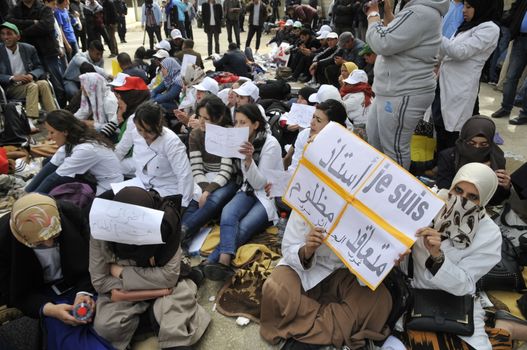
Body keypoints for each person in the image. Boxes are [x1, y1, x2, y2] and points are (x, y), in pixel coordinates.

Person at [392, 162, 508, 349]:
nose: (461, 200)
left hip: (454, 302)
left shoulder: (489, 234)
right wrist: (395, 256)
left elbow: (465, 284)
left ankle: (504, 326)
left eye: (473, 197)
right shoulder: (428, 203)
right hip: (412, 293)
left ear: (484, 200)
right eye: (458, 190)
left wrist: (438, 257)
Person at [89, 187, 211, 350]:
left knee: (176, 322)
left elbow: (169, 277)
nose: (131, 236)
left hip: (142, 286)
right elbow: (100, 282)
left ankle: (153, 319)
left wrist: (122, 273)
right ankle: (151, 317)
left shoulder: (166, 223)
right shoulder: (102, 229)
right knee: (105, 327)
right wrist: (154, 287)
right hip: (139, 291)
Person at [0, 193, 113, 350]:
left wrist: (83, 293)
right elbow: (15, 293)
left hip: (81, 283)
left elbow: (92, 259)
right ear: (20, 237)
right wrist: (50, 309)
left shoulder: (69, 214)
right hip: (44, 296)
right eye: (38, 243)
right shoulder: (3, 240)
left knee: (110, 323)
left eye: (55, 235)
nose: (48, 244)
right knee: (72, 339)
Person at [364, 0, 449, 170]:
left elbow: (382, 42)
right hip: (390, 90)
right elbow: (398, 35)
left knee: (394, 150)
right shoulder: (416, 10)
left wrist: (373, 14)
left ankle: (393, 192)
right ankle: (375, 186)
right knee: (375, 143)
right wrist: (388, 13)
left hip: (404, 91)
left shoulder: (420, 12)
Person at [202, 103, 283, 281]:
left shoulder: (271, 144)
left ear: (255, 125)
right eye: (236, 122)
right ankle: (224, 259)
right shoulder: (240, 142)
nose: (238, 127)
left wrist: (248, 160)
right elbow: (244, 180)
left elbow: (260, 183)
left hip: (266, 194)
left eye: (243, 123)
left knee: (245, 225)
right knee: (228, 214)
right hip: (246, 189)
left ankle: (213, 261)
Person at [433, 0, 499, 152]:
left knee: (453, 131)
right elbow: (447, 50)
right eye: (464, 6)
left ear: (481, 7)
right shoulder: (466, 27)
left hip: (460, 88)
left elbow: (460, 52)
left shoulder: (489, 29)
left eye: (469, 7)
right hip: (443, 83)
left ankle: (449, 166)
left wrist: (436, 32)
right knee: (440, 125)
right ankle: (440, 164)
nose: (464, 10)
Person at [181, 95, 239, 248]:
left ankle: (182, 233)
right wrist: (204, 189)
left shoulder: (228, 133)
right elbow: (196, 168)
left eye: (206, 118)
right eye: (199, 116)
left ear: (218, 118)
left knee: (213, 199)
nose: (201, 121)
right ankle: (183, 237)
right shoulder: (196, 134)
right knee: (195, 199)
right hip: (204, 177)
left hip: (227, 180)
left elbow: (226, 171)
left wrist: (207, 192)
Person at [114, 101, 194, 207]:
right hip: (140, 184)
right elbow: (121, 149)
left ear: (158, 124)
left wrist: (182, 206)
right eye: (140, 130)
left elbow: (184, 175)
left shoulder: (171, 141)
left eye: (149, 131)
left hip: (166, 189)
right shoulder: (134, 133)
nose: (144, 135)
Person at [25, 110, 123, 194]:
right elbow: (51, 166)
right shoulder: (73, 139)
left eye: (52, 132)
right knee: (48, 162)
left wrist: (31, 199)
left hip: (106, 187)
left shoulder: (86, 149)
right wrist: (27, 191)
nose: (49, 137)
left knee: (58, 184)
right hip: (92, 178)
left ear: (65, 132)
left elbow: (55, 178)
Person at [436, 116, 510, 206]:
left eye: (483, 144)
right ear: (464, 139)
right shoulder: (448, 157)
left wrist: (505, 187)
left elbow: (496, 201)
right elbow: (444, 191)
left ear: (490, 143)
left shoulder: (496, 159)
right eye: (471, 143)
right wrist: (478, 173)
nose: (477, 148)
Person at [6, 0, 67, 107]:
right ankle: (45, 111)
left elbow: (46, 26)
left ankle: (61, 110)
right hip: (29, 55)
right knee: (36, 84)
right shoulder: (15, 10)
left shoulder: (45, 8)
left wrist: (22, 32)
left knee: (56, 84)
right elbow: (10, 23)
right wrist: (33, 22)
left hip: (48, 52)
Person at [0, 22, 57, 119]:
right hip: (11, 87)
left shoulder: (29, 49)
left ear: (18, 37)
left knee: (43, 83)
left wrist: (32, 74)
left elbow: (40, 67)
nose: (5, 37)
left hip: (30, 82)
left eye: (9, 33)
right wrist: (13, 78)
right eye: (2, 34)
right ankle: (30, 120)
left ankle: (54, 117)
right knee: (32, 86)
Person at [491, 0, 527, 125]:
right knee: (511, 76)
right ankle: (506, 107)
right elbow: (515, 9)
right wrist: (512, 25)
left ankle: (525, 114)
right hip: (521, 39)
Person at [287, 99, 347, 175]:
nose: (312, 122)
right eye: (313, 117)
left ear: (332, 126)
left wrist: (320, 144)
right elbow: (295, 167)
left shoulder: (343, 147)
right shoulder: (304, 135)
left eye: (318, 120)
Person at [75, 72, 119, 139]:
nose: (81, 88)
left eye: (84, 85)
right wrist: (69, 119)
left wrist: (93, 124)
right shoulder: (94, 97)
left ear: (93, 86)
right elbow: (83, 111)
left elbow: (116, 128)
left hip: (110, 137)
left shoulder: (109, 101)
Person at [112, 76, 151, 140]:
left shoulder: (140, 118)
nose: (118, 102)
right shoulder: (128, 111)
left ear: (133, 98)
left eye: (121, 98)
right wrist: (120, 118)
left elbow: (124, 144)